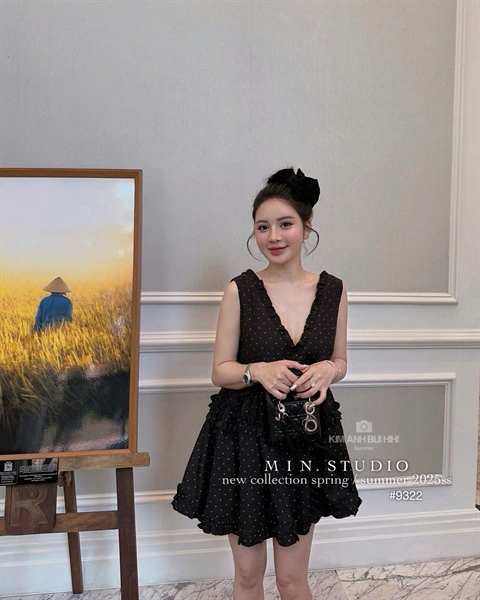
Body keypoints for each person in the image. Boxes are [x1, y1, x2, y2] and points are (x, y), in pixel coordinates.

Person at [172, 168, 361, 600]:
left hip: (305, 439)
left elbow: (341, 360)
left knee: (293, 578)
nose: (273, 236)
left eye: (285, 224)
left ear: (306, 227)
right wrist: (255, 371)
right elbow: (220, 370)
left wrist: (330, 370)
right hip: (244, 440)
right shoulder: (240, 290)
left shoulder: (334, 291)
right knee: (248, 575)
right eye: (262, 227)